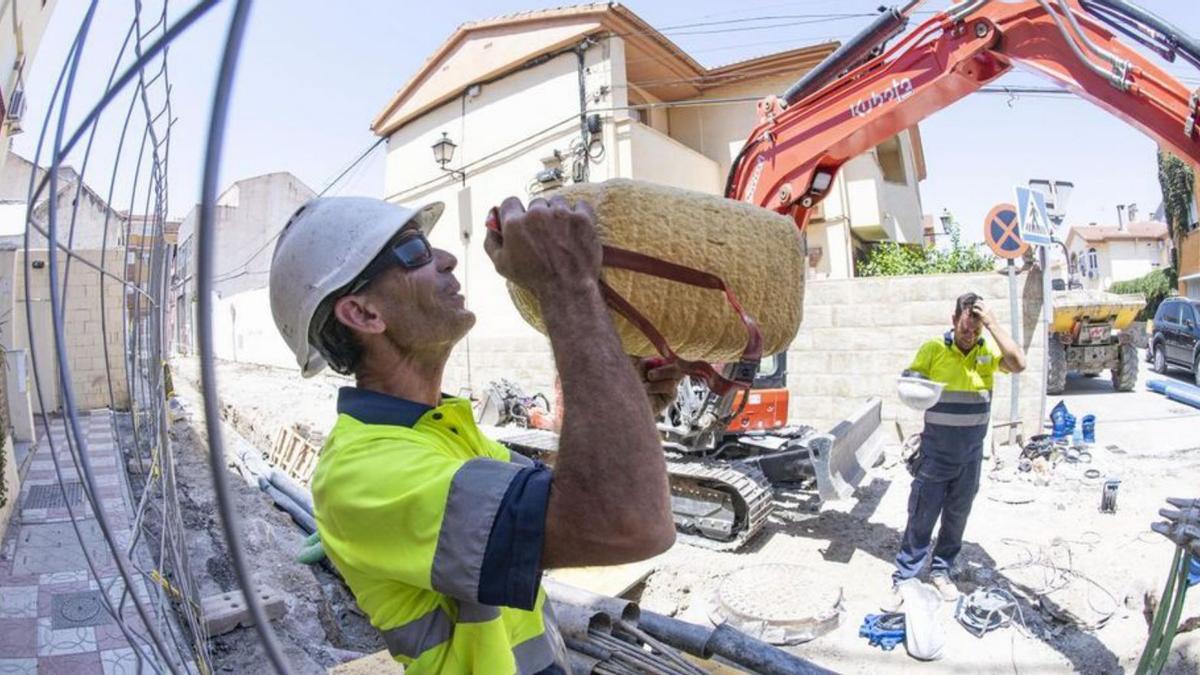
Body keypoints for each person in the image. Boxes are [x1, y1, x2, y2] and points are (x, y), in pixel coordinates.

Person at [268, 194, 681, 673]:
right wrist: (567, 284)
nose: (446, 259)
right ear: (363, 315)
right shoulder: (362, 474)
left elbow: (562, 501)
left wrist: (625, 405)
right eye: (413, 253)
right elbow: (628, 523)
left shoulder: (444, 428)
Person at [891, 292, 1026, 602]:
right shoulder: (934, 349)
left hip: (970, 458)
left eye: (976, 330)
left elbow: (1018, 363)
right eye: (966, 327)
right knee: (922, 517)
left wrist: (992, 324)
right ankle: (905, 577)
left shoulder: (986, 353)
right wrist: (914, 386)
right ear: (954, 321)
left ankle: (940, 570)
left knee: (956, 518)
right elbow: (910, 381)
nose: (970, 335)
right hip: (936, 454)